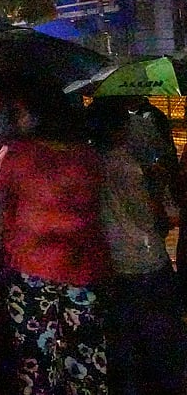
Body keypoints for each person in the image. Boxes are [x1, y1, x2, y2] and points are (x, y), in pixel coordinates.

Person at [0, 73, 110, 394]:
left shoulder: (15, 153)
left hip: (30, 268)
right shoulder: (87, 155)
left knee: (36, 356)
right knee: (85, 353)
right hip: (82, 266)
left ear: (35, 114)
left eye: (19, 112)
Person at [88, 97, 187, 394]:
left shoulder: (91, 162)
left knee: (124, 345)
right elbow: (155, 219)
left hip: (112, 262)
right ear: (119, 128)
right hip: (145, 262)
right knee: (161, 344)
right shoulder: (128, 167)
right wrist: (157, 189)